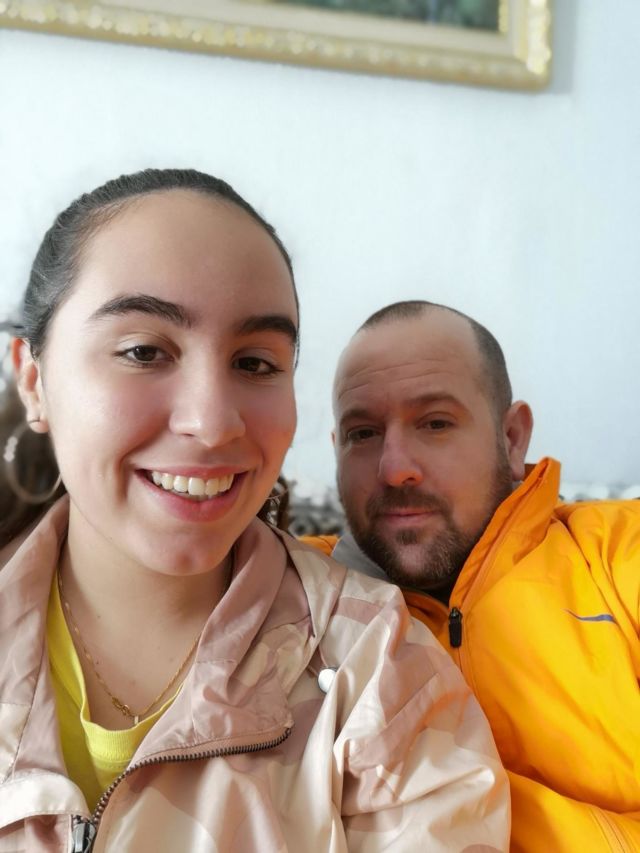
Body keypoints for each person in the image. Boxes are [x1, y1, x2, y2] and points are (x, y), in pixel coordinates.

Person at [0, 177, 509, 852]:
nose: (213, 423)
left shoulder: (377, 673)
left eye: (254, 362)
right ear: (33, 378)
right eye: (144, 351)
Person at [304, 299, 640, 853]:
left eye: (435, 423)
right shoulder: (291, 588)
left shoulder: (618, 553)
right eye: (363, 433)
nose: (395, 468)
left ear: (512, 438)